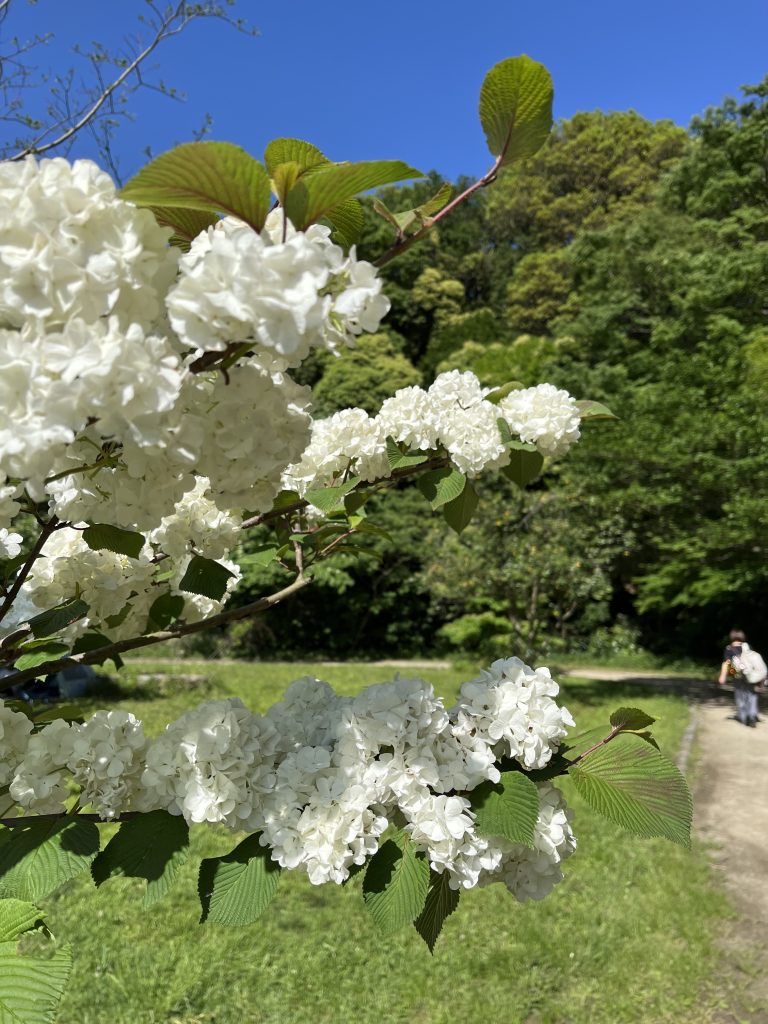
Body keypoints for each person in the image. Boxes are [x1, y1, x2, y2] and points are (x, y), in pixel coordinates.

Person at [718, 629, 760, 727]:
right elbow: (754, 660)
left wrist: (723, 676)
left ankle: (743, 716)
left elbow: (727, 663)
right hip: (750, 675)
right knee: (752, 694)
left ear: (732, 637)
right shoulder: (748, 647)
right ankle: (752, 715)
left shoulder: (729, 648)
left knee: (740, 695)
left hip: (737, 675)